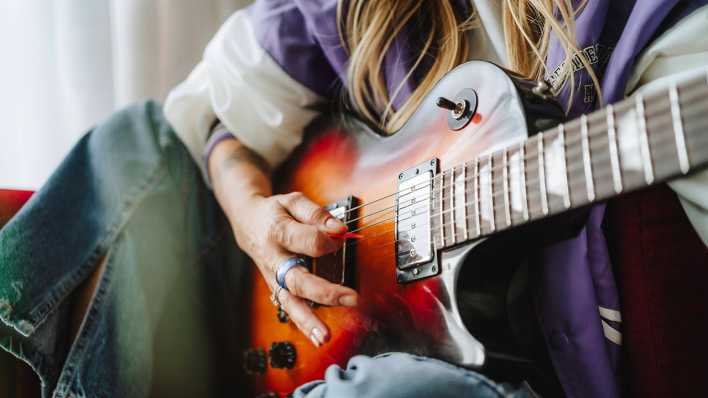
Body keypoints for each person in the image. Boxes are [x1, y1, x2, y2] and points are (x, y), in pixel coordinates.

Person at [1, 1, 707, 397]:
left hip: (468, 381)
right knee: (136, 140)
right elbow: (211, 112)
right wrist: (253, 219)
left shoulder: (660, 26)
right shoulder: (360, 11)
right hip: (295, 337)